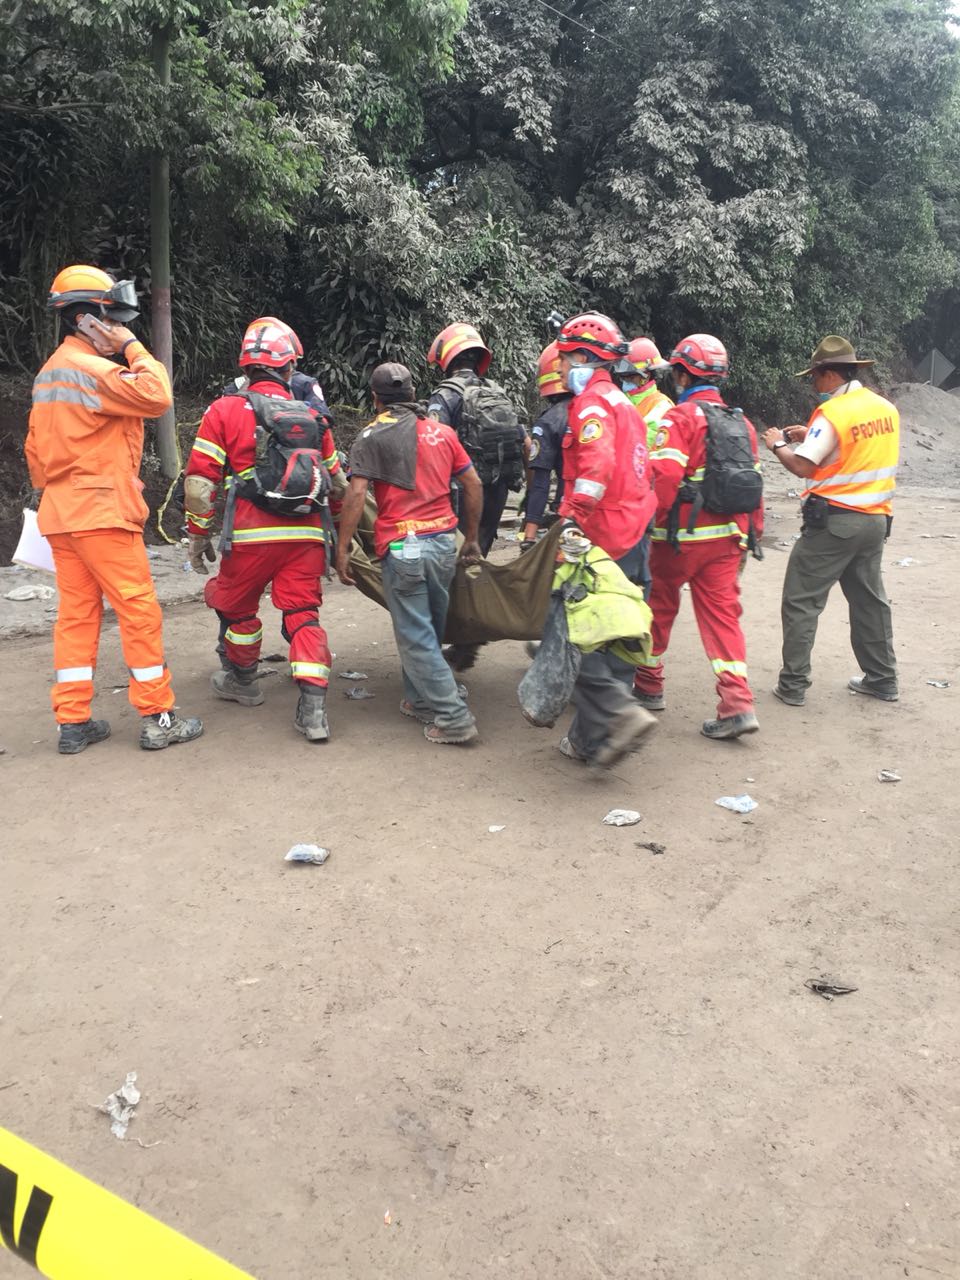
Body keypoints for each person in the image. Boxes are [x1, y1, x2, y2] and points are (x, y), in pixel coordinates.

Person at [24, 264, 203, 754]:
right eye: (111, 319)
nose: (118, 327)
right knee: (137, 610)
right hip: (100, 511)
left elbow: (36, 451)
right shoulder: (93, 370)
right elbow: (157, 395)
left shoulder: (49, 374)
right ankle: (158, 717)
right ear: (86, 319)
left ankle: (72, 722)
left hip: (60, 512)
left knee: (76, 617)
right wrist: (132, 347)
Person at [183, 318, 343, 742]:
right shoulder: (312, 415)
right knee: (303, 614)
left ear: (245, 367)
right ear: (290, 367)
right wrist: (341, 536)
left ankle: (242, 680)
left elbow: (200, 483)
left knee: (237, 610)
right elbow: (337, 484)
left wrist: (198, 534)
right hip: (306, 535)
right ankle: (313, 710)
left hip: (251, 535)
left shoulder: (223, 409)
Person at [335, 363, 484, 745]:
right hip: (443, 544)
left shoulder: (372, 436)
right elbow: (472, 483)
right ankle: (419, 700)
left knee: (416, 637)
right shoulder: (442, 433)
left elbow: (356, 494)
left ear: (375, 398)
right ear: (414, 393)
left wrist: (343, 547)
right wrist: (470, 538)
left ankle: (453, 717)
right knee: (428, 629)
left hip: (404, 549)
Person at [634, 333, 763, 740]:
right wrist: (751, 536)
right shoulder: (742, 423)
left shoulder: (679, 419)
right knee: (723, 618)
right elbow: (755, 487)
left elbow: (665, 479)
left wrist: (642, 525)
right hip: (726, 541)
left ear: (682, 375)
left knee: (658, 609)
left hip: (677, 541)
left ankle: (649, 686)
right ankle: (737, 704)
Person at [762, 335, 899, 705]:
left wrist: (777, 444)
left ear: (828, 374)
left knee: (801, 600)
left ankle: (793, 685)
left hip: (835, 523)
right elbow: (854, 451)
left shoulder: (834, 413)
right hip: (875, 521)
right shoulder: (884, 408)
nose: (813, 384)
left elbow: (802, 466)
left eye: (814, 376)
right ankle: (883, 679)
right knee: (870, 602)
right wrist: (810, 435)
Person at [553, 311, 659, 767]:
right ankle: (591, 741)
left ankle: (619, 712)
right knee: (619, 634)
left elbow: (595, 469)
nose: (559, 369)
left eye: (563, 359)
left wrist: (571, 521)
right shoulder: (624, 402)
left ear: (583, 357)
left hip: (604, 535)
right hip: (635, 530)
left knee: (565, 631)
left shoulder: (592, 405)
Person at [425, 322, 525, 556]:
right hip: (498, 490)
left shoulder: (445, 395)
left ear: (447, 359)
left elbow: (433, 446)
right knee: (479, 558)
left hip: (462, 493)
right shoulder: (496, 392)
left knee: (455, 561)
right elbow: (526, 443)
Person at [614, 337, 675, 599]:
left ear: (645, 376)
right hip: (623, 496)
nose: (625, 381)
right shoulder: (623, 401)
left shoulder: (662, 407)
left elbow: (651, 455)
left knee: (640, 568)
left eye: (629, 377)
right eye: (623, 377)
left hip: (645, 497)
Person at [519, 341, 569, 548]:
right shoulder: (605, 408)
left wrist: (529, 537)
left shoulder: (549, 422)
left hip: (570, 515)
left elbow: (541, 483)